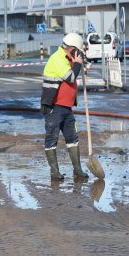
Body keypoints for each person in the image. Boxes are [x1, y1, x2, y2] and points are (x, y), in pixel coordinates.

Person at [41, 33, 88, 181]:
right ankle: (54, 172)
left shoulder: (68, 58)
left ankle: (77, 170)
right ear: (73, 49)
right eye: (78, 51)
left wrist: (78, 62)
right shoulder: (58, 58)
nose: (79, 53)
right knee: (52, 138)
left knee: (72, 138)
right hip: (54, 106)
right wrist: (78, 64)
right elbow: (70, 77)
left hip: (66, 107)